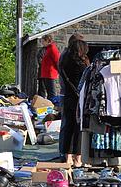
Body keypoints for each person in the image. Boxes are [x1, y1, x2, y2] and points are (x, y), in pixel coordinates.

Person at [59, 38, 89, 167]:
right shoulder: (83, 65)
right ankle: (78, 159)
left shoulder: (64, 63)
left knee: (68, 128)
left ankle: (68, 157)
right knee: (79, 129)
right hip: (80, 100)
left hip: (68, 97)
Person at [38, 35, 60, 100]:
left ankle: (53, 107)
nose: (42, 43)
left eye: (43, 41)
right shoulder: (48, 49)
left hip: (50, 74)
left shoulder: (53, 49)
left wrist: (59, 71)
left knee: (52, 93)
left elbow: (57, 61)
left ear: (48, 41)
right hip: (46, 74)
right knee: (48, 92)